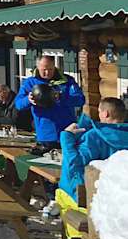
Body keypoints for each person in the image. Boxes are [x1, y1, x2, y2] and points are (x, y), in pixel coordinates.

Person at [55, 97, 128, 231]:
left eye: (99, 111)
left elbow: (74, 164)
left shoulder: (94, 136)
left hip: (93, 198)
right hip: (121, 201)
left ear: (105, 114)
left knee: (62, 195)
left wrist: (66, 137)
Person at [15, 56, 85, 149]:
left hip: (67, 131)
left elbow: (80, 99)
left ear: (54, 66)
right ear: (38, 67)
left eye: (50, 69)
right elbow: (18, 104)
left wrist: (62, 97)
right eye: (44, 69)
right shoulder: (30, 83)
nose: (47, 73)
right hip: (45, 134)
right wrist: (28, 100)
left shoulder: (67, 81)